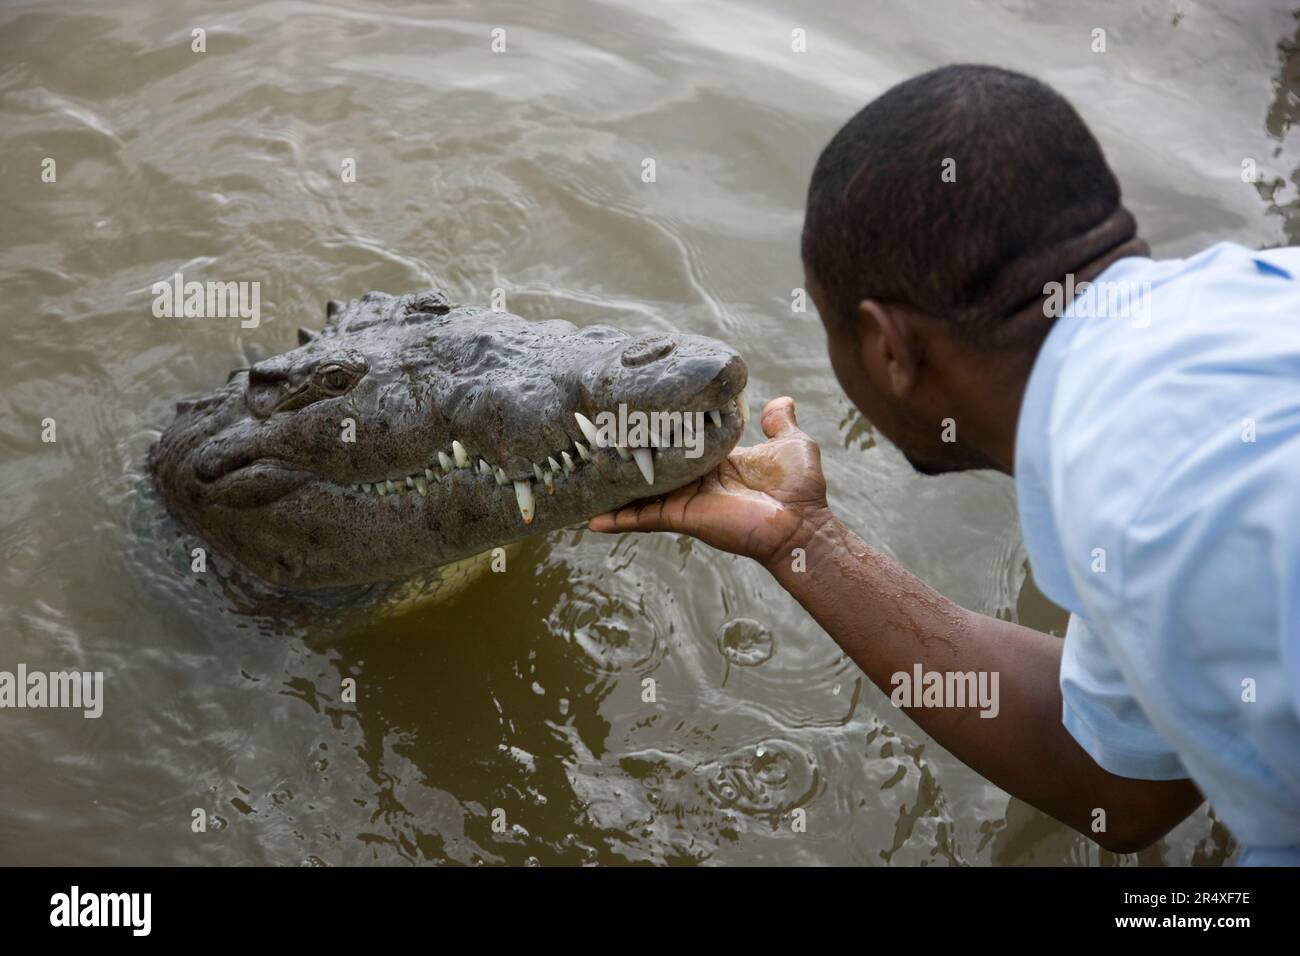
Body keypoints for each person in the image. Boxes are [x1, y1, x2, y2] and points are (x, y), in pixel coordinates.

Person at [590, 64, 1300, 865]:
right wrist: (802, 539)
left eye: (831, 329)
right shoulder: (1255, 306)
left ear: (890, 347)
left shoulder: (1138, 501)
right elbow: (1123, 784)